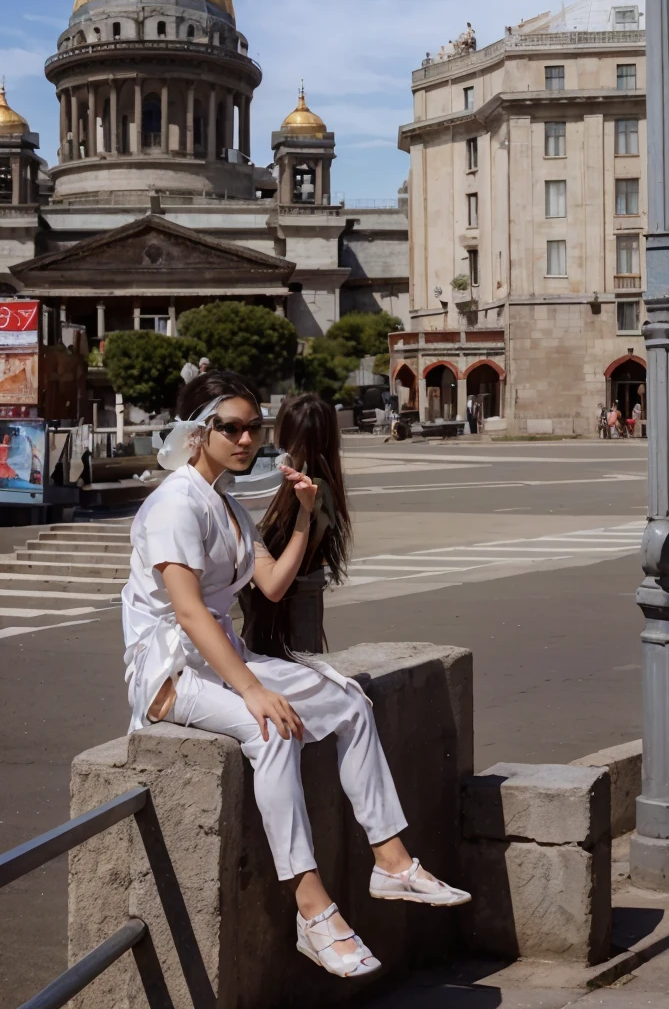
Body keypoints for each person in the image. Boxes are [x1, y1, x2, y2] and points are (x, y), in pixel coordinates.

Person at [122, 371, 469, 982]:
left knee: (349, 702)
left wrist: (306, 514)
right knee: (271, 731)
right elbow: (187, 610)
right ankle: (314, 910)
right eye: (231, 427)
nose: (247, 438)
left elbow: (273, 584)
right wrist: (255, 690)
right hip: (172, 670)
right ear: (199, 433)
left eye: (254, 426)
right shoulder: (175, 502)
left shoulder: (226, 504)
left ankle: (390, 860)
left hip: (222, 660)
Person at [239, 393, 348, 657]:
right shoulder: (322, 483)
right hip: (299, 602)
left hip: (278, 610)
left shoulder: (294, 487)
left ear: (284, 434)